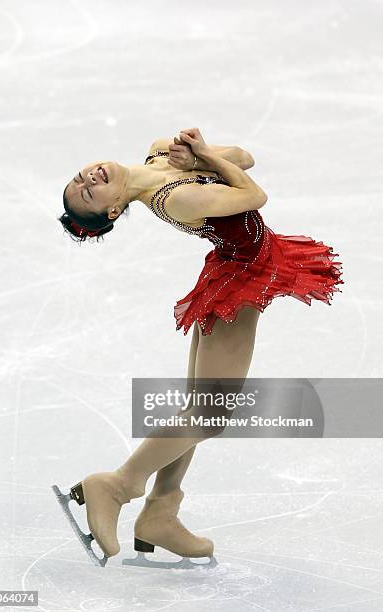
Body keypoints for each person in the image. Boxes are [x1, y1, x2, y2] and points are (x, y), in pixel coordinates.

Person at [55, 128, 343, 565]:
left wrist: (195, 158)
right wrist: (202, 155)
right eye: (89, 193)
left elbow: (244, 158)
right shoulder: (175, 200)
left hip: (240, 267)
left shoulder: (158, 155)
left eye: (82, 177)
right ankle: (116, 485)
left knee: (199, 405)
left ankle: (160, 512)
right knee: (209, 413)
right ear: (114, 209)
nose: (89, 179)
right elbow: (253, 194)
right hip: (239, 280)